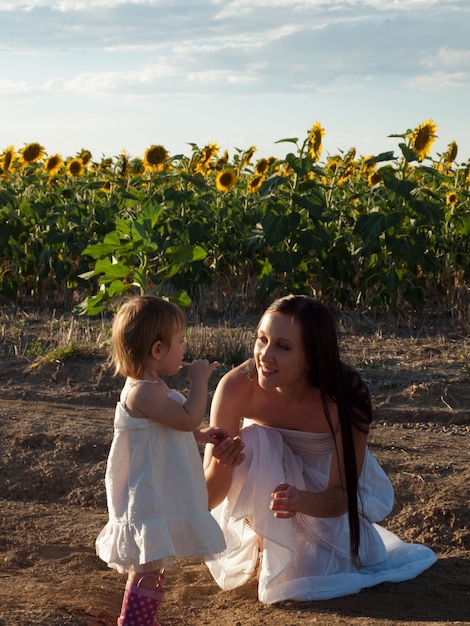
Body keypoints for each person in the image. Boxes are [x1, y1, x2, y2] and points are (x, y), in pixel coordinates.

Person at [203, 294, 437, 604]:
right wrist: (222, 465)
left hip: (319, 502)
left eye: (283, 347)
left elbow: (341, 496)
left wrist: (301, 501)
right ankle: (263, 545)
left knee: (318, 570)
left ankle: (293, 550)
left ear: (312, 357)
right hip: (260, 504)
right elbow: (207, 499)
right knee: (257, 439)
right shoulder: (236, 387)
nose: (265, 355)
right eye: (262, 340)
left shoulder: (345, 395)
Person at [96, 295, 227, 626]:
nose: (184, 349)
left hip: (154, 490)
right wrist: (199, 383)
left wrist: (199, 435)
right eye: (179, 342)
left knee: (152, 563)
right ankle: (134, 621)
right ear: (157, 350)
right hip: (147, 493)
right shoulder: (142, 391)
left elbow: (165, 430)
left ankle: (140, 618)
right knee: (149, 566)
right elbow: (184, 418)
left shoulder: (152, 387)